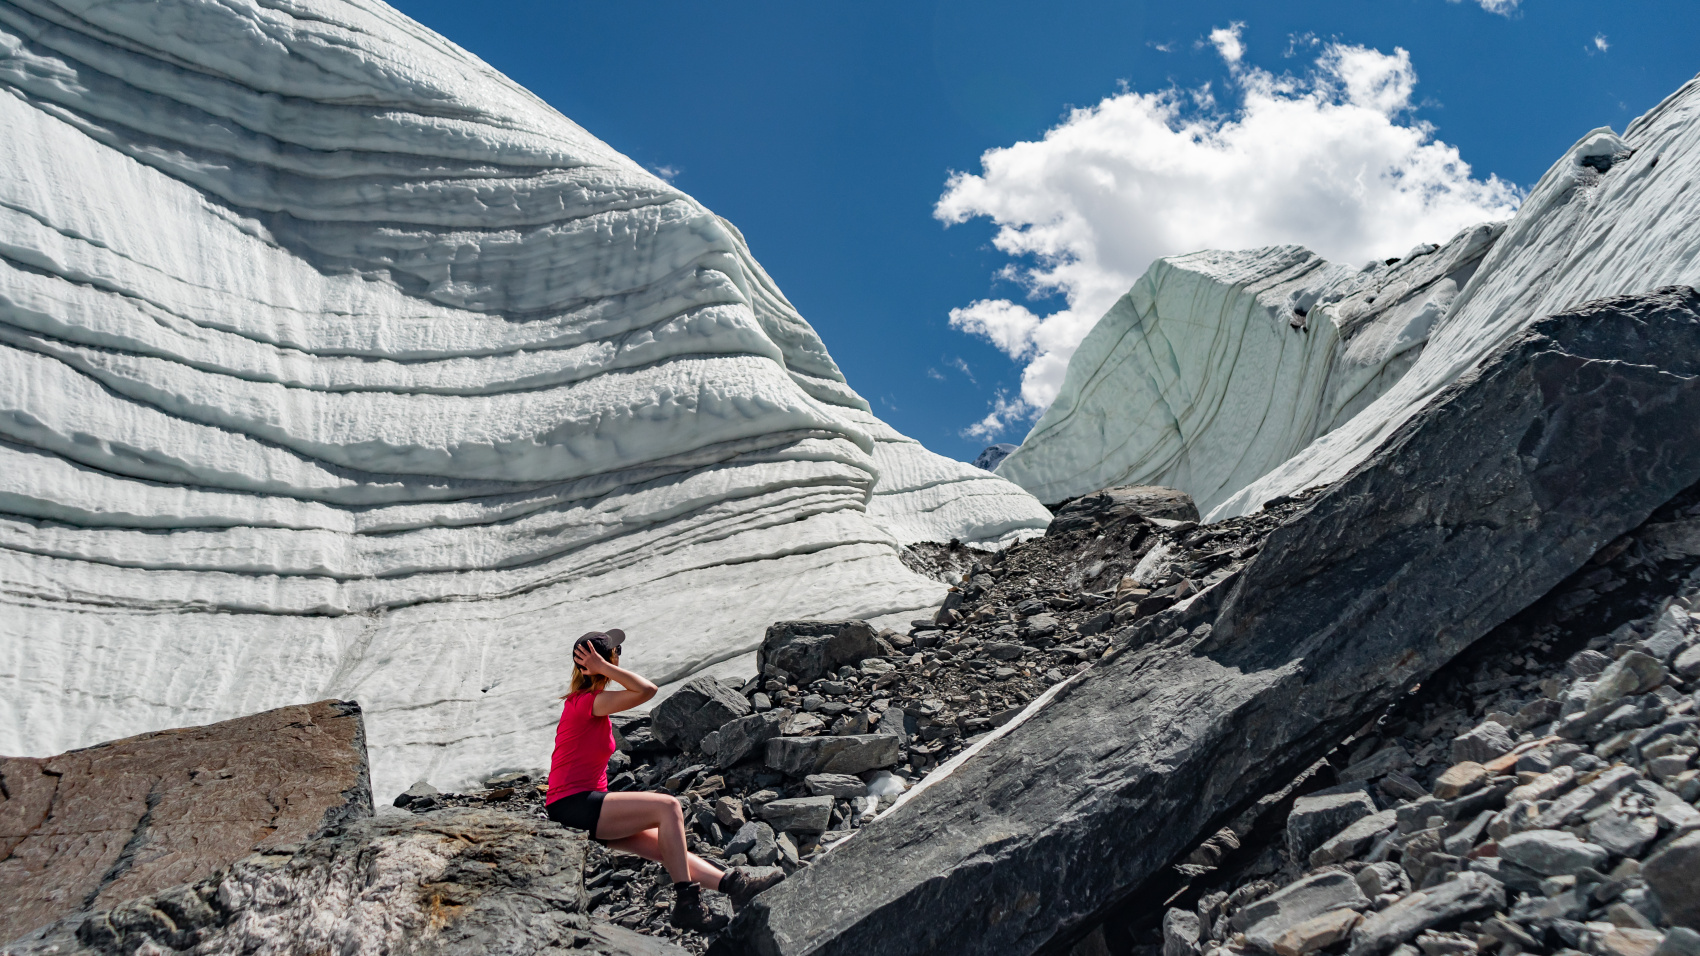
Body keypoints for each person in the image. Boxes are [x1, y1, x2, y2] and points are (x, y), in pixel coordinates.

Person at [545, 629, 783, 931]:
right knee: (667, 807)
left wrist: (600, 667)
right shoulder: (587, 702)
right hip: (572, 804)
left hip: (579, 803)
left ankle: (736, 887)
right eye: (617, 653)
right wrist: (603, 668)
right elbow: (647, 690)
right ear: (605, 661)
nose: (619, 657)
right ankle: (687, 905)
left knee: (666, 848)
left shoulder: (589, 703)